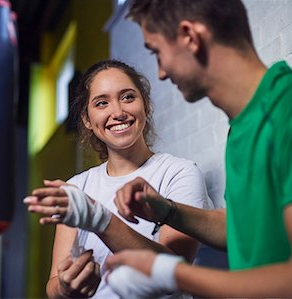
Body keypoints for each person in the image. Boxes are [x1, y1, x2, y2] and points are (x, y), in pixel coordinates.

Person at [104, 0, 292, 298]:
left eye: (157, 53)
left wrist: (169, 273)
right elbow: (242, 227)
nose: (161, 74)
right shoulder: (242, 126)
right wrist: (166, 210)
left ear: (190, 37)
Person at [23, 59, 213, 298]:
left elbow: (177, 271)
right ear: (87, 120)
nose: (118, 112)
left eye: (128, 97)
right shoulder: (77, 187)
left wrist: (100, 219)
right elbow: (52, 286)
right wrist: (66, 287)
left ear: (146, 105)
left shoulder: (178, 173)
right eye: (102, 103)